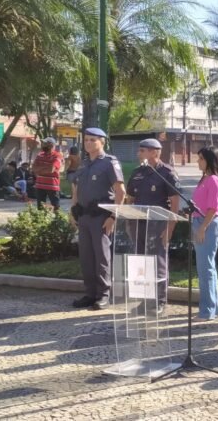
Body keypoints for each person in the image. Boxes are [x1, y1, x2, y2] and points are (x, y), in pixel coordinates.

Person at [70, 128, 126, 310]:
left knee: (102, 257)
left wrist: (113, 217)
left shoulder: (109, 162)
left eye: (92, 140)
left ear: (102, 142)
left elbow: (120, 192)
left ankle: (103, 295)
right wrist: (73, 210)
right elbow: (76, 188)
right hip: (84, 216)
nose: (88, 143)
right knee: (86, 256)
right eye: (86, 140)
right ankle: (90, 293)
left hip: (101, 217)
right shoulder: (84, 164)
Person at [125, 139, 181, 314]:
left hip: (158, 225)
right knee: (141, 263)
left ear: (155, 152)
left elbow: (175, 202)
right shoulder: (137, 173)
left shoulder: (167, 173)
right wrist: (128, 221)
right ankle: (144, 300)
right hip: (139, 224)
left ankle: (159, 301)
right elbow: (130, 198)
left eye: (142, 150)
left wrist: (170, 228)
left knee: (158, 262)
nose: (138, 153)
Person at [191, 146, 218, 322]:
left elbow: (213, 208)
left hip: (208, 224)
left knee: (206, 269)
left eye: (201, 159)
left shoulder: (213, 179)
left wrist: (202, 227)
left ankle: (207, 311)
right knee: (206, 269)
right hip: (200, 222)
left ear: (210, 160)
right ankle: (212, 309)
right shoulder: (205, 179)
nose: (198, 162)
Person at [32, 137, 61, 210]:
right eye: (43, 144)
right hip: (40, 185)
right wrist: (46, 167)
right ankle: (42, 221)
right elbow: (34, 169)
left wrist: (40, 169)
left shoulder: (57, 156)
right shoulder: (40, 155)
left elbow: (51, 169)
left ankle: (57, 221)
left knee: (56, 207)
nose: (43, 145)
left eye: (45, 144)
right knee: (40, 208)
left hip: (52, 185)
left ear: (51, 145)